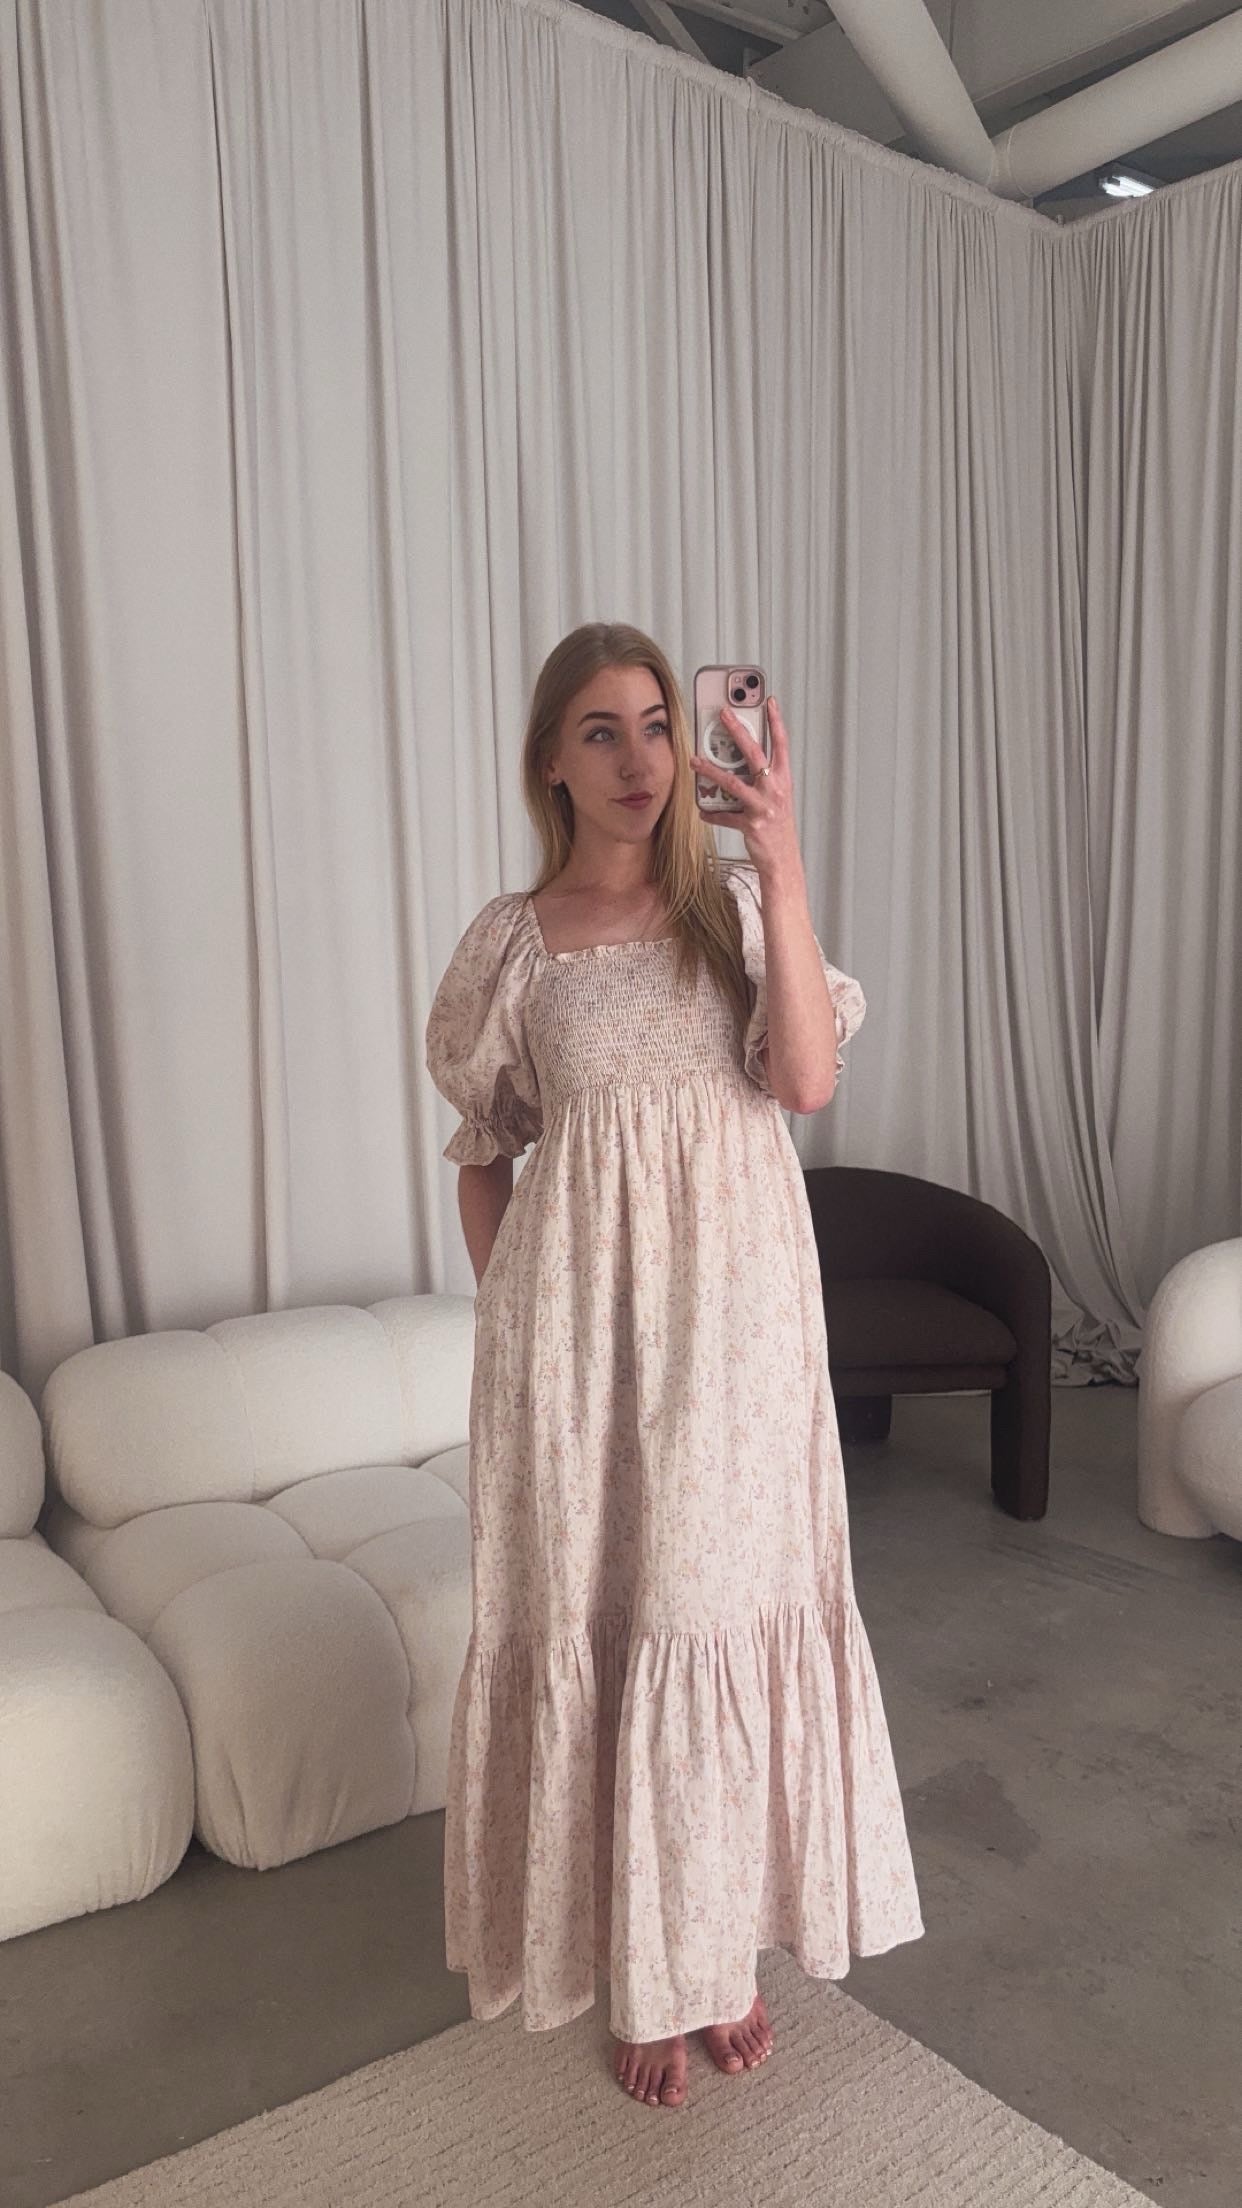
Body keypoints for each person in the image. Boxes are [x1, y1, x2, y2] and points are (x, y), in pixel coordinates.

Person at [424, 622, 924, 2112]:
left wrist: (780, 854)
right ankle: (638, 1970)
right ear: (550, 761)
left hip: (739, 1346)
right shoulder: (515, 945)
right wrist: (522, 1323)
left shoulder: (735, 915)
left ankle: (710, 1953)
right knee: (607, 1619)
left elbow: (804, 1081)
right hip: (575, 1360)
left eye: (657, 724)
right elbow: (483, 1149)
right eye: (601, 730)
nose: (639, 758)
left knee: (712, 1617)